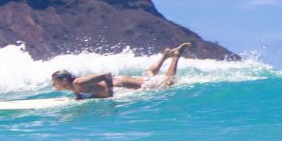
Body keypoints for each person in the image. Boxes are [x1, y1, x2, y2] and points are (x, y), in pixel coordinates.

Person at [50, 44, 189, 99]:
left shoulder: (79, 82)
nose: (53, 85)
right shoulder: (73, 86)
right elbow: (82, 93)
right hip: (121, 83)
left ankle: (175, 55)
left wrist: (110, 94)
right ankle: (164, 57)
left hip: (123, 84)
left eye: (54, 82)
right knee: (148, 75)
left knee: (167, 83)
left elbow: (106, 75)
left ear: (64, 80)